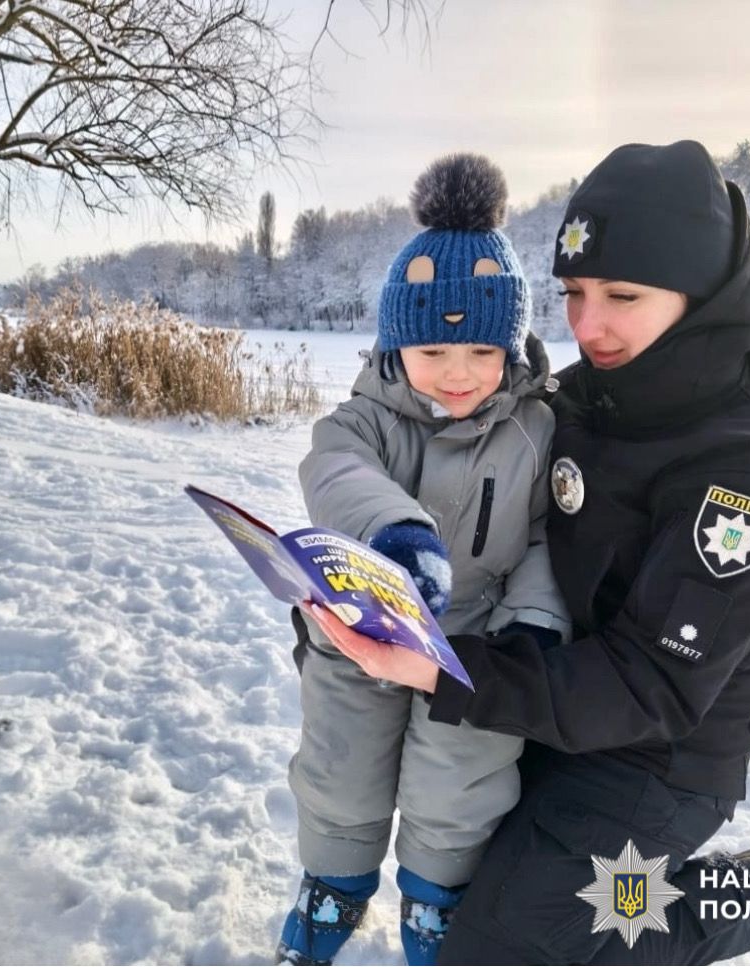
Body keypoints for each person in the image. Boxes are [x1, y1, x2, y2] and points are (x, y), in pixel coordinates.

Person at [304, 140, 750, 965]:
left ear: (700, 292)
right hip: (538, 700)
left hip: (655, 754)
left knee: (539, 943)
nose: (588, 325)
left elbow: (654, 683)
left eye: (622, 294)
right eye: (573, 293)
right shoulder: (578, 398)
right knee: (475, 889)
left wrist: (449, 671)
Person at [278, 154, 571, 966]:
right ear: (395, 343)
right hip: (363, 631)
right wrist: (395, 534)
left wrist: (534, 624)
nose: (458, 375)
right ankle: (332, 887)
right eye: (434, 353)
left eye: (482, 352)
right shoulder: (366, 418)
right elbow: (335, 471)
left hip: (472, 647)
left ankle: (437, 906)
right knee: (340, 770)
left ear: (511, 347)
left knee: (461, 784)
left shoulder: (536, 431)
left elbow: (548, 536)